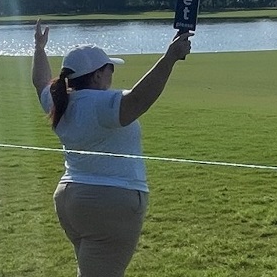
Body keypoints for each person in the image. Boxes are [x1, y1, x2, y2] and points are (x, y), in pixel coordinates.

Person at [31, 20, 192, 277]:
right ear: (96, 75)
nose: (111, 75)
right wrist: (170, 57)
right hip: (109, 204)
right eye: (109, 70)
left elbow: (40, 82)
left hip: (70, 200)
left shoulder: (59, 100)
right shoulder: (102, 104)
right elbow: (139, 99)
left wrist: (40, 48)